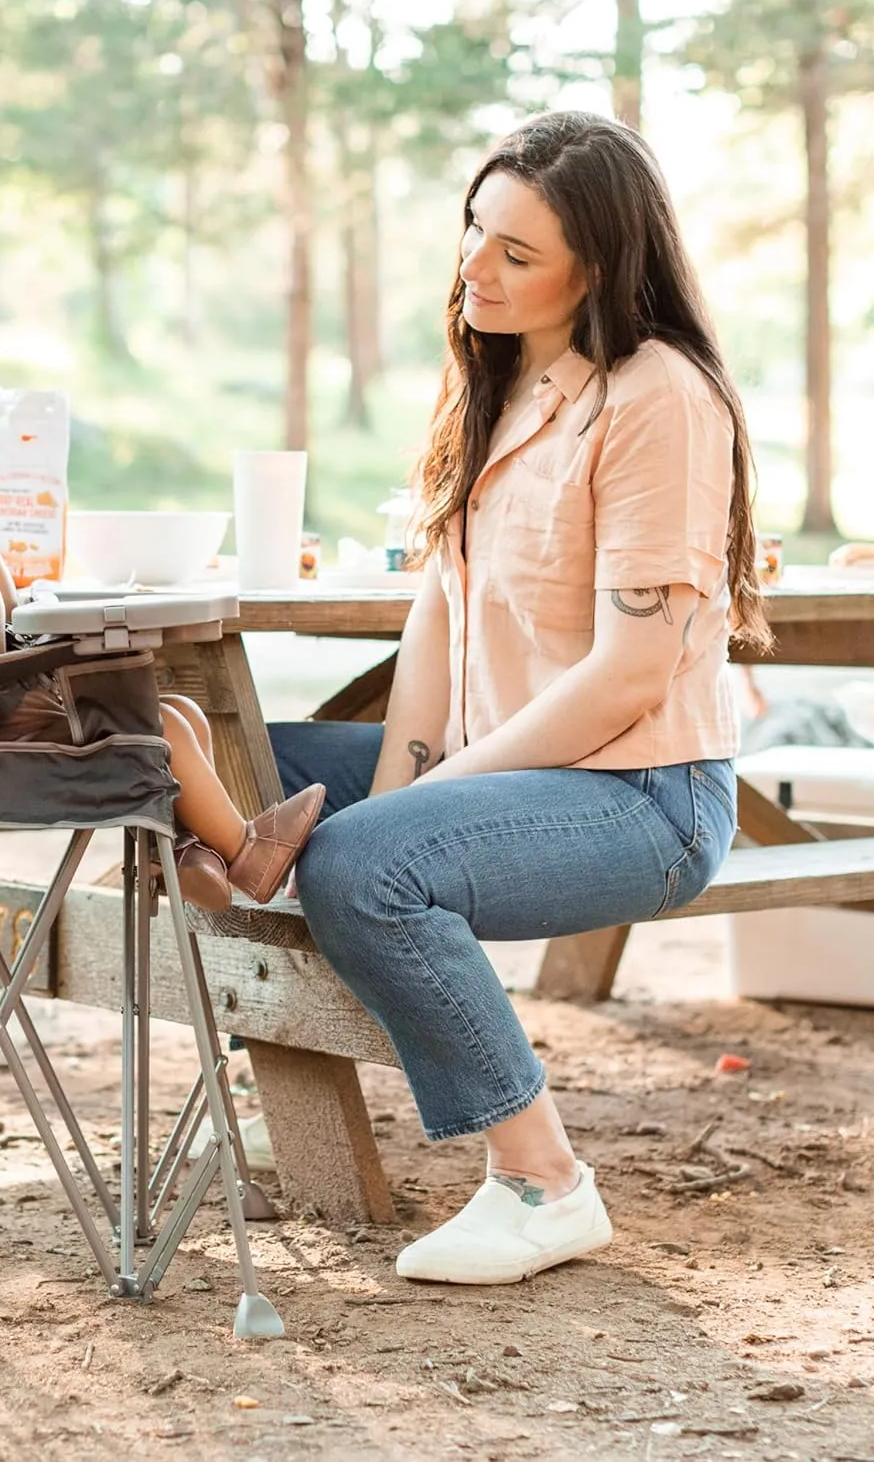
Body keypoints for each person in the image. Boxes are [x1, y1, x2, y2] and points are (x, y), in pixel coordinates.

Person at [270, 110, 769, 1285]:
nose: (476, 270)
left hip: (641, 795)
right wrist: (401, 781)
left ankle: (545, 1186)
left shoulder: (660, 399)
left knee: (357, 866)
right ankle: (288, 1076)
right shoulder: (498, 380)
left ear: (599, 265)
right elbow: (436, 611)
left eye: (516, 254)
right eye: (473, 233)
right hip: (510, 766)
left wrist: (419, 804)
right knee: (227, 764)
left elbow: (633, 672)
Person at [0, 418, 322, 908]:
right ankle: (246, 853)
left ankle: (184, 851)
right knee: (162, 726)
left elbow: (8, 621)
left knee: (185, 710)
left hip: (16, 733)